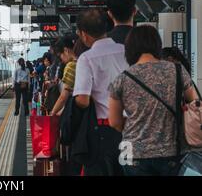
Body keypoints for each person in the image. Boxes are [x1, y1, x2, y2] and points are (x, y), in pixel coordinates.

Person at [108, 26, 199, 176]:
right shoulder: (177, 70)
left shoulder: (122, 79)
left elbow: (114, 122)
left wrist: (138, 123)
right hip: (171, 151)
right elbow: (195, 102)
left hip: (132, 153)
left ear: (130, 48)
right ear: (157, 45)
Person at [73, 9, 129, 176]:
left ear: (83, 34)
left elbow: (82, 100)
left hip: (103, 131)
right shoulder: (126, 51)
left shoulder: (87, 58)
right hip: (130, 128)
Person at [50, 35, 78, 116]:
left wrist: (53, 112)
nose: (61, 59)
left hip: (75, 112)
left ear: (66, 50)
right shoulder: (81, 61)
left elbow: (63, 96)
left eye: (60, 55)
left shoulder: (71, 66)